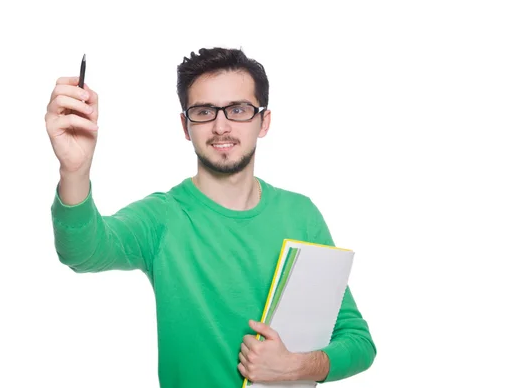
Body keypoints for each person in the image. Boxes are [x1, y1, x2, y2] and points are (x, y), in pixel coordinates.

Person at [45, 47, 376, 387]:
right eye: (204, 111)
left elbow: (357, 341)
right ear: (186, 126)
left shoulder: (301, 215)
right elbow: (82, 251)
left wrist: (295, 367)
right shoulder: (163, 217)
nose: (221, 126)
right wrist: (74, 170)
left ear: (264, 121)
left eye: (238, 109)